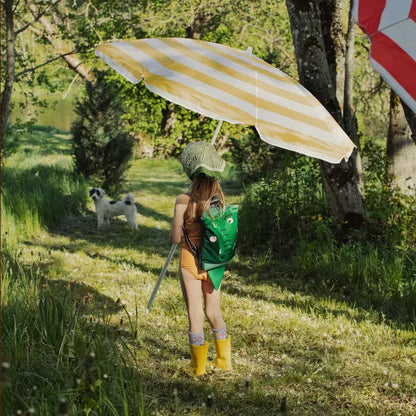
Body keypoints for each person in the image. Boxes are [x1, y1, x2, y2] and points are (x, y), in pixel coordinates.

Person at [170, 141, 232, 376]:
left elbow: (175, 238)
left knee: (195, 313)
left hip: (189, 260)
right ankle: (224, 360)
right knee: (213, 311)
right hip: (214, 262)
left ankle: (198, 368)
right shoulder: (218, 200)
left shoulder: (183, 200)